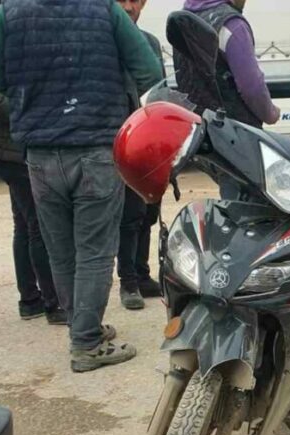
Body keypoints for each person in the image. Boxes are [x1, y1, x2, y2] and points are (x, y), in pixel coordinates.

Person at [0, 0, 164, 373]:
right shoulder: (104, 9)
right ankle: (86, 343)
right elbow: (149, 69)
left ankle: (84, 327)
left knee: (61, 249)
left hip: (41, 153)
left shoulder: (10, 13)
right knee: (95, 252)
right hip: (96, 147)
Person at [0, 0, 65, 325]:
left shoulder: (0, 22)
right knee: (39, 223)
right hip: (10, 142)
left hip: (10, 141)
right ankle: (53, 303)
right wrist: (23, 109)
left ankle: (30, 299)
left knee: (24, 222)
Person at [116, 0, 166, 311]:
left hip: (149, 140)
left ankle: (143, 273)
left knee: (149, 209)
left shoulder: (149, 43)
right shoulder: (107, 41)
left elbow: (159, 89)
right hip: (120, 139)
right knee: (129, 215)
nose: (128, 6)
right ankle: (128, 282)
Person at [177, 0, 280, 128]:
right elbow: (251, 87)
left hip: (195, 130)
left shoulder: (181, 20)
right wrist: (271, 113)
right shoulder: (232, 25)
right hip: (231, 134)